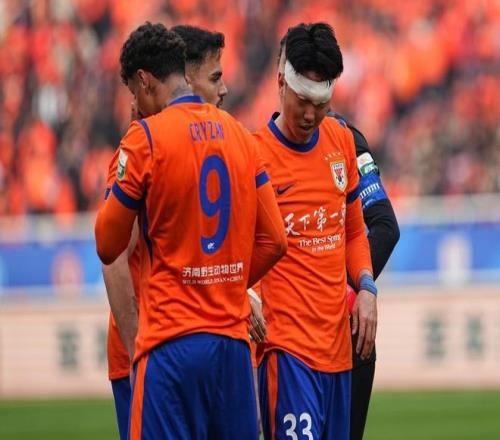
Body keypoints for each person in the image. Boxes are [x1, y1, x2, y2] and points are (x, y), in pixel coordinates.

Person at [96, 22, 287, 439]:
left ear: (144, 80)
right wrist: (227, 285)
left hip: (168, 345)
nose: (133, 102)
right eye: (216, 78)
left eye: (132, 91)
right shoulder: (242, 137)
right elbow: (276, 240)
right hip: (231, 344)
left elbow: (108, 246)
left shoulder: (144, 140)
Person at [101, 25, 229, 440]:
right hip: (152, 350)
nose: (223, 90)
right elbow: (113, 258)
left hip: (190, 344)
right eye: (214, 78)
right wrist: (139, 351)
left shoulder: (204, 145)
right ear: (185, 80)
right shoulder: (138, 150)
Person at [254, 22, 377, 439]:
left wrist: (366, 288)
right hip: (286, 352)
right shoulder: (254, 155)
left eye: (320, 104)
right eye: (302, 101)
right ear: (280, 82)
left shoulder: (340, 140)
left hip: (338, 354)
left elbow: (355, 233)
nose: (310, 114)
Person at [330, 112, 400, 440]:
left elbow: (384, 227)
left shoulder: (347, 139)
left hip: (343, 329)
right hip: (288, 332)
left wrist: (353, 285)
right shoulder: (264, 145)